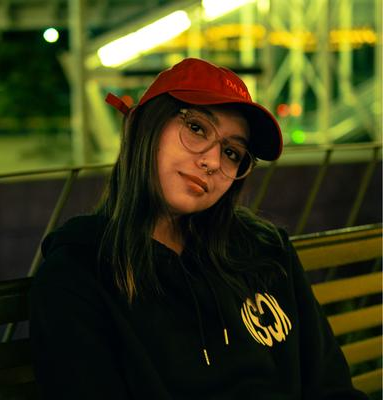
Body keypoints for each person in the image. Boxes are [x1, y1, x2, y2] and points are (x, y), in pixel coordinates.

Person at [29, 58, 368, 400]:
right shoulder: (80, 273)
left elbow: (331, 386)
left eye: (232, 152)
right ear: (143, 126)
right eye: (196, 128)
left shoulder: (264, 250)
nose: (212, 162)